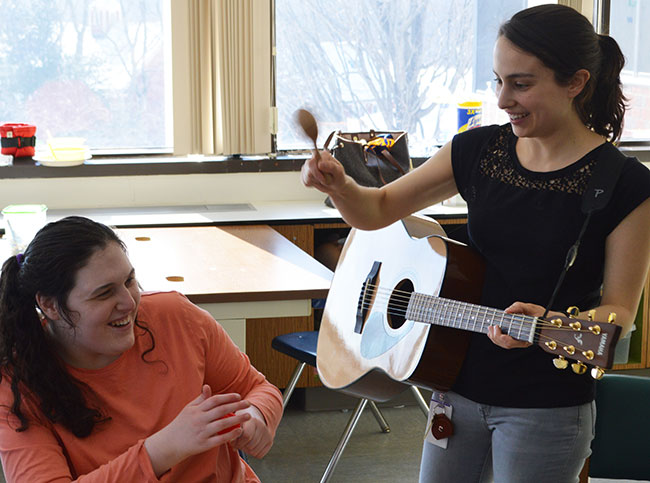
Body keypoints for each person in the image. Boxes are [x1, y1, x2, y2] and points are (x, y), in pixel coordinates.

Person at [301, 4, 650, 483]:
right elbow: (378, 209)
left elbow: (620, 313)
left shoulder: (627, 185)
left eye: (521, 84)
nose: (504, 99)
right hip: (454, 387)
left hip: (545, 405)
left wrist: (547, 323)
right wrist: (339, 185)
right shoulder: (477, 150)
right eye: (498, 81)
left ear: (576, 82)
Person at [0, 216, 283, 482]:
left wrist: (256, 415)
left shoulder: (175, 316)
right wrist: (162, 449)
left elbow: (257, 388)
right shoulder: (16, 386)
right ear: (49, 306)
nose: (129, 303)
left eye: (129, 281)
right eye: (104, 293)